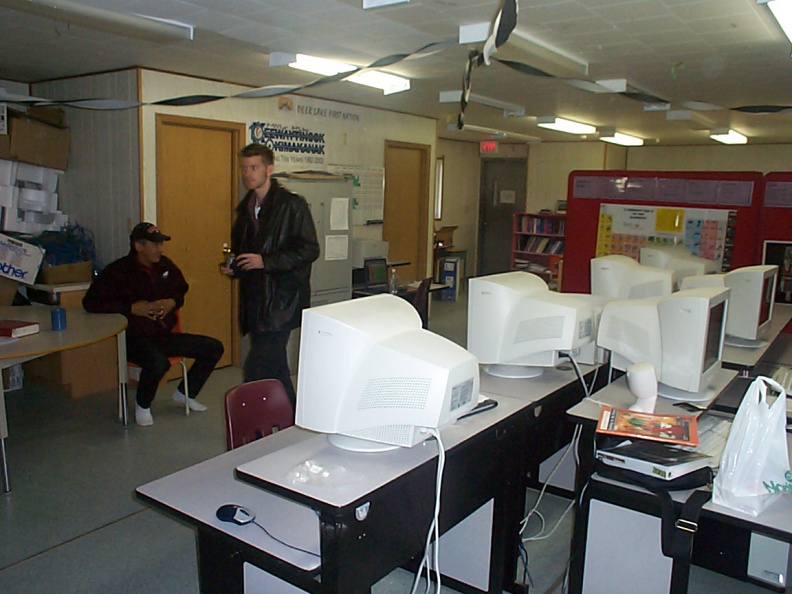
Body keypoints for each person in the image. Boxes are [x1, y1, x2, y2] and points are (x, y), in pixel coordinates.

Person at [83, 222, 224, 427]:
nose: (160, 249)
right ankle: (143, 405)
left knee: (213, 348)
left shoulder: (166, 266)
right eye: (155, 244)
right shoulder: (118, 271)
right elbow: (91, 303)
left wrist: (172, 303)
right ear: (138, 246)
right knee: (159, 362)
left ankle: (185, 393)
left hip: (163, 333)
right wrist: (131, 308)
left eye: (161, 244)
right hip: (134, 338)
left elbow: (180, 290)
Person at [221, 143, 319, 407]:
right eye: (244, 168)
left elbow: (309, 250)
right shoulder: (245, 210)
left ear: (269, 169)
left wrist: (266, 261)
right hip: (255, 303)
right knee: (276, 370)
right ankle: (294, 419)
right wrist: (235, 268)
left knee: (256, 367)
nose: (248, 174)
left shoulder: (292, 205)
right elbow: (245, 255)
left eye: (254, 167)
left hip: (281, 303)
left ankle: (249, 421)